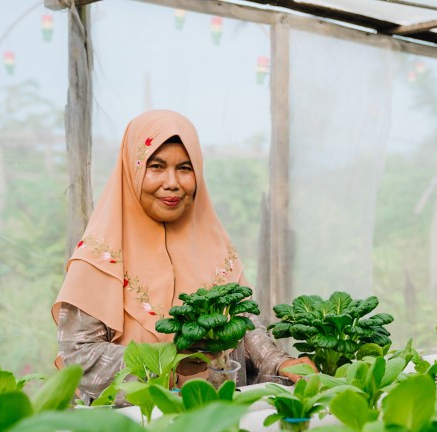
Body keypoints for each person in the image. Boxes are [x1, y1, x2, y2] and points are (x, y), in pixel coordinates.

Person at [52, 109, 313, 404]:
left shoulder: (214, 245)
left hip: (218, 421)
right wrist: (171, 370)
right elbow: (79, 355)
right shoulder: (100, 257)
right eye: (157, 166)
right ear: (133, 169)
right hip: (131, 431)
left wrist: (277, 362)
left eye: (185, 168)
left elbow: (242, 323)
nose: (172, 182)